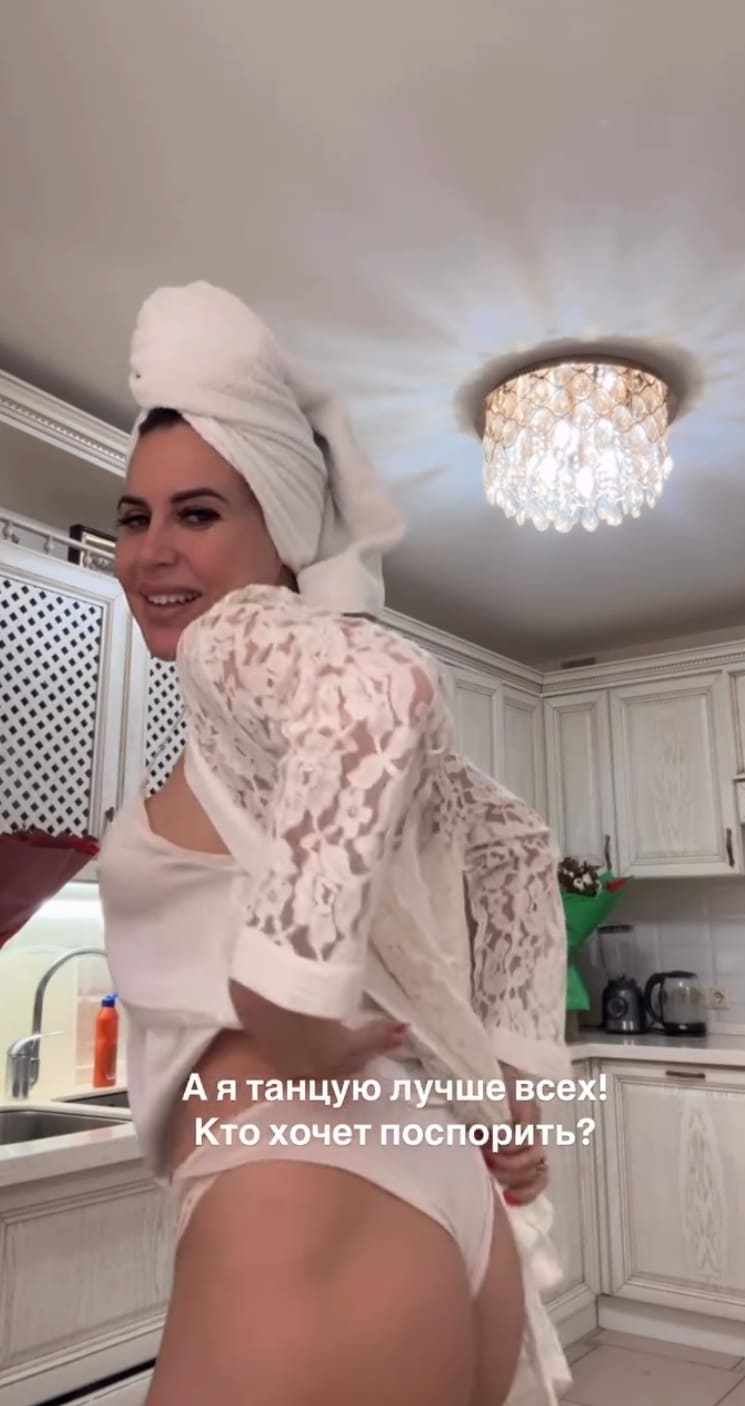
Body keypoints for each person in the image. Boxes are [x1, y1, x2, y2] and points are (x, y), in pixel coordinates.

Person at [97, 281, 573, 1406]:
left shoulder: (233, 639)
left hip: (302, 1200)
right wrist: (513, 1095)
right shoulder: (260, 723)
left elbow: (379, 688)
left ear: (279, 538)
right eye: (133, 517)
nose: (150, 552)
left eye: (196, 514)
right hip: (427, 1187)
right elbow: (516, 846)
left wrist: (283, 994)